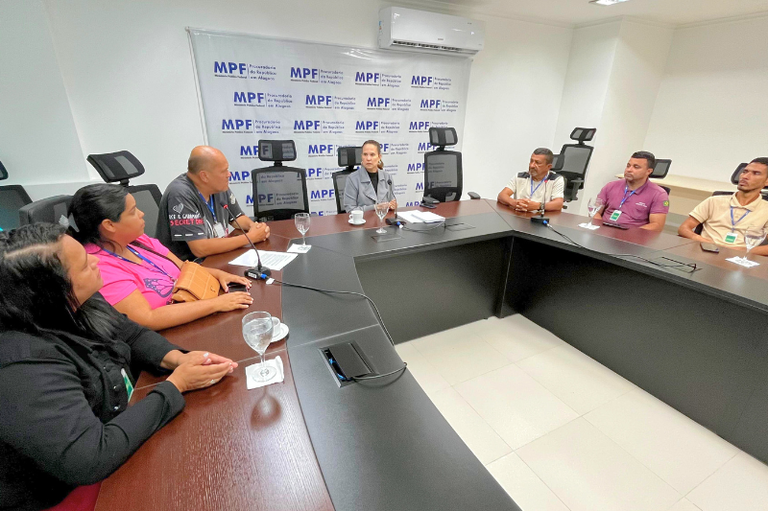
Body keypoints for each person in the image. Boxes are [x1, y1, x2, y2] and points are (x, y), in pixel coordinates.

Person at [0, 223, 237, 511]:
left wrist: (176, 358)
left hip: (121, 430)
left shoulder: (78, 299)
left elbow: (130, 332)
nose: (96, 261)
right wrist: (176, 385)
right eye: (85, 266)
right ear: (50, 290)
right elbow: (90, 457)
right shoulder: (21, 364)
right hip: (66, 492)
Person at [69, 184, 253, 331]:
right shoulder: (100, 267)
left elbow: (183, 267)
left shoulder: (138, 241)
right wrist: (216, 304)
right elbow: (148, 319)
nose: (142, 213)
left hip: (195, 314)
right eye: (133, 211)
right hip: (172, 336)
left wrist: (218, 274)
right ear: (109, 225)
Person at [156, 146, 270, 261]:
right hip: (189, 266)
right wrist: (250, 237)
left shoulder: (218, 186)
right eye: (223, 171)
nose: (229, 174)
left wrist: (254, 227)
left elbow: (237, 218)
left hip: (215, 257)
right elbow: (199, 249)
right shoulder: (180, 194)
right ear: (204, 176)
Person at [678, 157, 768, 254]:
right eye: (745, 171)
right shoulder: (714, 201)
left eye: (756, 173)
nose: (745, 176)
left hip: (739, 258)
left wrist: (745, 251)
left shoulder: (765, 209)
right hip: (706, 251)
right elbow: (684, 228)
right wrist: (701, 239)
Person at [594, 151, 669, 231]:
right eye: (628, 166)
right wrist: (600, 229)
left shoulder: (659, 194)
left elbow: (657, 225)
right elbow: (595, 212)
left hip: (631, 237)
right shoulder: (611, 186)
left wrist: (629, 234)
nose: (629, 170)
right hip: (604, 232)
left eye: (636, 167)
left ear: (648, 171)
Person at [497, 148, 565, 212]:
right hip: (519, 215)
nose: (532, 165)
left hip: (540, 218)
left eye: (537, 163)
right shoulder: (520, 176)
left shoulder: (556, 180)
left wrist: (538, 206)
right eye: (531, 161)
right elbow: (502, 195)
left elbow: (558, 204)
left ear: (548, 167)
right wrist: (513, 202)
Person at [343, 140, 398, 212]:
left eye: (372, 155)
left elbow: (392, 202)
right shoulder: (352, 179)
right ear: (361, 156)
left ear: (379, 157)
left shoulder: (387, 177)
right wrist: (375, 207)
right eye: (365, 154)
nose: (368, 159)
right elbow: (350, 210)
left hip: (383, 220)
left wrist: (393, 205)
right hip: (362, 221)